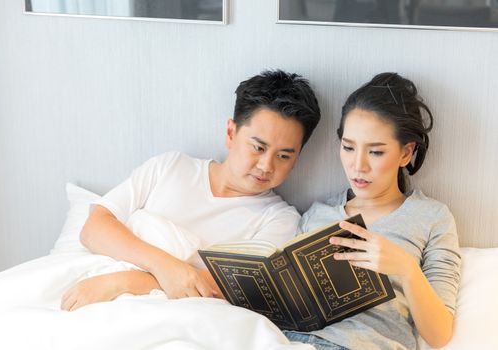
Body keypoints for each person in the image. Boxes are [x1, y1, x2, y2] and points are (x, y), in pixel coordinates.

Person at [60, 69, 321, 311]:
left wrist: (124, 282)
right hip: (91, 284)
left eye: (284, 156)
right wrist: (165, 266)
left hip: (174, 312)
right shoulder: (171, 167)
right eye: (258, 148)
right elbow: (94, 228)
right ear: (231, 133)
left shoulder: (279, 219)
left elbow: (226, 288)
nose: (266, 166)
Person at [285, 73, 461, 350]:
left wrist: (406, 269)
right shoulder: (316, 214)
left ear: (406, 153)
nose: (358, 166)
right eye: (348, 147)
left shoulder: (432, 217)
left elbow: (439, 335)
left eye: (376, 152)